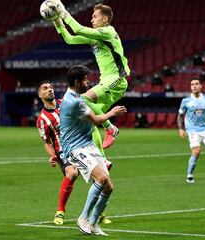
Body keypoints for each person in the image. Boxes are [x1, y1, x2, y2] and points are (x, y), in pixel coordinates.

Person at [50, 2, 130, 149]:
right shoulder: (94, 38)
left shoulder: (109, 32)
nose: (92, 20)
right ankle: (103, 160)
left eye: (95, 17)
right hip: (106, 81)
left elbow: (78, 29)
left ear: (105, 19)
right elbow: (70, 39)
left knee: (83, 99)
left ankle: (110, 128)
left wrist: (63, 12)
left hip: (116, 79)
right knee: (91, 119)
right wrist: (57, 21)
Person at [60, 65, 126, 235]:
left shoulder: (78, 97)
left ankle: (94, 223)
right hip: (75, 148)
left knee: (108, 187)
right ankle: (83, 218)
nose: (89, 82)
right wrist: (112, 113)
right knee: (102, 178)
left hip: (88, 145)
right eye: (86, 80)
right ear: (77, 81)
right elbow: (96, 120)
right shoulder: (74, 101)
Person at [36, 79, 113, 226]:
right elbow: (46, 142)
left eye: (51, 87)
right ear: (40, 95)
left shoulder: (66, 103)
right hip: (64, 151)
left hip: (83, 145)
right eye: (45, 88)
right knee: (72, 173)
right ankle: (60, 211)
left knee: (100, 177)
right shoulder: (42, 119)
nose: (50, 90)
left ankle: (100, 214)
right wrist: (52, 155)